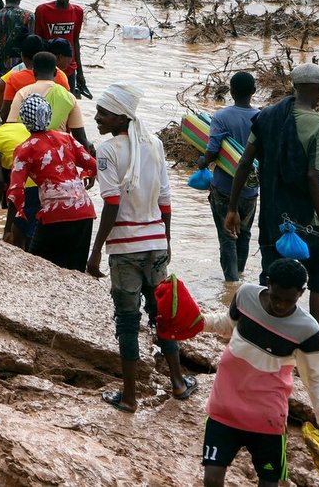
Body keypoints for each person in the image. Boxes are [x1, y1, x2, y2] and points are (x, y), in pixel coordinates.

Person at [86, 84, 191, 412]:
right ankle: (178, 383)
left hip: (125, 250)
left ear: (121, 117)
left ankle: (130, 397)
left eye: (103, 113)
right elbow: (165, 200)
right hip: (155, 244)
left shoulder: (107, 150)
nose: (97, 118)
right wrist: (166, 240)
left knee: (128, 322)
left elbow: (112, 203)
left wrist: (96, 250)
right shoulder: (154, 144)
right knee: (162, 317)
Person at [198, 259, 319, 487]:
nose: (280, 305)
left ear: (301, 293)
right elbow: (228, 324)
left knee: (269, 482)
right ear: (268, 283)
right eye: (276, 297)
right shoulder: (245, 295)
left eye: (289, 300)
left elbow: (317, 380)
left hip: (267, 418)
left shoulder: (308, 330)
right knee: (211, 479)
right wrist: (196, 322)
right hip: (224, 407)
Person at [226, 63, 319, 325]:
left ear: (295, 87)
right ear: (317, 89)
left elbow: (244, 163)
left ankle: (262, 328)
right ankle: (313, 333)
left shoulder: (266, 116)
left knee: (271, 273)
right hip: (305, 219)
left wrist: (232, 208)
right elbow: (313, 175)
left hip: (272, 215)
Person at [8, 94, 97, 271]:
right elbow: (93, 164)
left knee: (41, 267)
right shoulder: (67, 138)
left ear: (24, 120)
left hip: (55, 213)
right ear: (48, 114)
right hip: (84, 211)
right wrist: (87, 175)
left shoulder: (24, 149)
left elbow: (16, 190)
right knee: (76, 269)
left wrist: (20, 216)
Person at [200, 72, 260, 284]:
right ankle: (239, 278)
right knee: (244, 234)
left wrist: (202, 162)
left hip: (224, 188)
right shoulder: (261, 117)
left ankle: (231, 283)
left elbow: (213, 151)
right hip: (251, 190)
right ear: (254, 91)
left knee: (227, 236)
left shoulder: (221, 117)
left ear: (231, 92)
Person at [0, 110, 38, 248]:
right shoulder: (17, 125)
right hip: (44, 181)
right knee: (31, 234)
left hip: (24, 186)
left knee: (13, 240)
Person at [34, 0, 90, 96]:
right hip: (48, 68)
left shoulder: (77, 12)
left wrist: (80, 73)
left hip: (69, 68)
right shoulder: (42, 10)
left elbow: (75, 41)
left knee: (68, 102)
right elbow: (37, 40)